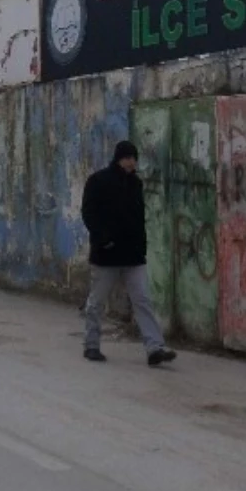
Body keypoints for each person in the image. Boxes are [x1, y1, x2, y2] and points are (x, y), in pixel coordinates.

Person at [80, 140, 177, 367]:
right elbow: (89, 213)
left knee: (142, 300)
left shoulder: (135, 184)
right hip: (107, 254)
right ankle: (91, 345)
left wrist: (140, 246)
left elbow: (137, 219)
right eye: (129, 157)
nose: (133, 162)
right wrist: (104, 240)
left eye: (134, 158)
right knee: (97, 301)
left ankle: (155, 348)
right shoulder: (98, 181)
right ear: (119, 158)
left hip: (132, 255)